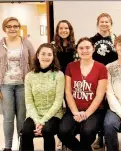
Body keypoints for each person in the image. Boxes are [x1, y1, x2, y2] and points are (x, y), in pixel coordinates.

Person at [0, 17, 35, 151]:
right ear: (5, 28)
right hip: (5, 86)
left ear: (19, 28)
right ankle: (8, 147)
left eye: (15, 26)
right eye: (9, 26)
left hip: (23, 85)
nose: (12, 29)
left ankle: (22, 146)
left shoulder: (26, 43)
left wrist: (33, 84)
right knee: (8, 118)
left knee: (22, 118)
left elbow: (34, 64)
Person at [57, 37, 108, 151]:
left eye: (87, 47)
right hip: (74, 110)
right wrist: (75, 112)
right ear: (77, 50)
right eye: (81, 48)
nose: (84, 50)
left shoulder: (101, 68)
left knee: (87, 132)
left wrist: (86, 114)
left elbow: (100, 95)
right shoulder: (71, 66)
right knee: (63, 132)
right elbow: (68, 92)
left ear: (93, 49)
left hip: (94, 111)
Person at [21, 43, 64, 151]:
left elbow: (58, 102)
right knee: (26, 131)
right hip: (34, 114)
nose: (46, 57)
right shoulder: (29, 76)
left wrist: (43, 121)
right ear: (38, 56)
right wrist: (37, 121)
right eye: (43, 54)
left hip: (54, 115)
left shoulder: (59, 75)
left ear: (53, 57)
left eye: (49, 54)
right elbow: (29, 102)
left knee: (47, 130)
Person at [90, 13, 117, 148]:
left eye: (107, 22)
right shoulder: (92, 40)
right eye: (102, 22)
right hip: (97, 78)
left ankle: (110, 134)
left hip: (114, 77)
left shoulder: (115, 39)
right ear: (98, 23)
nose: (105, 24)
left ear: (110, 24)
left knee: (110, 106)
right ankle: (99, 137)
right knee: (99, 107)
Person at [52, 20, 78, 150]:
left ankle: (69, 134)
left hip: (71, 81)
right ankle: (59, 138)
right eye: (61, 28)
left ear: (70, 30)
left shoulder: (75, 45)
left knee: (69, 109)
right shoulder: (52, 46)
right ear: (57, 30)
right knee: (57, 109)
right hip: (56, 81)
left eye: (66, 28)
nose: (63, 30)